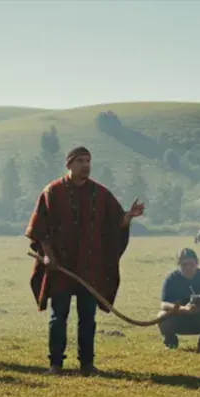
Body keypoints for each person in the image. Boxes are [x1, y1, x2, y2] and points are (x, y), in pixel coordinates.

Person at [25, 146, 144, 376]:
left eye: (88, 161)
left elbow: (116, 223)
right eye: (80, 161)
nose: (85, 165)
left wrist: (129, 217)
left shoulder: (101, 194)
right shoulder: (52, 192)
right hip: (60, 267)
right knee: (58, 316)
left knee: (87, 318)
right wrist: (48, 254)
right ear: (68, 164)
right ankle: (55, 364)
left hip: (90, 268)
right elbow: (39, 229)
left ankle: (87, 365)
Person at [157, 248, 200, 352]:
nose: (188, 267)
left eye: (191, 264)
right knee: (161, 316)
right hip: (178, 317)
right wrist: (183, 309)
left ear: (197, 263)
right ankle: (171, 343)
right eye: (184, 264)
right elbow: (164, 304)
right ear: (178, 264)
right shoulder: (172, 278)